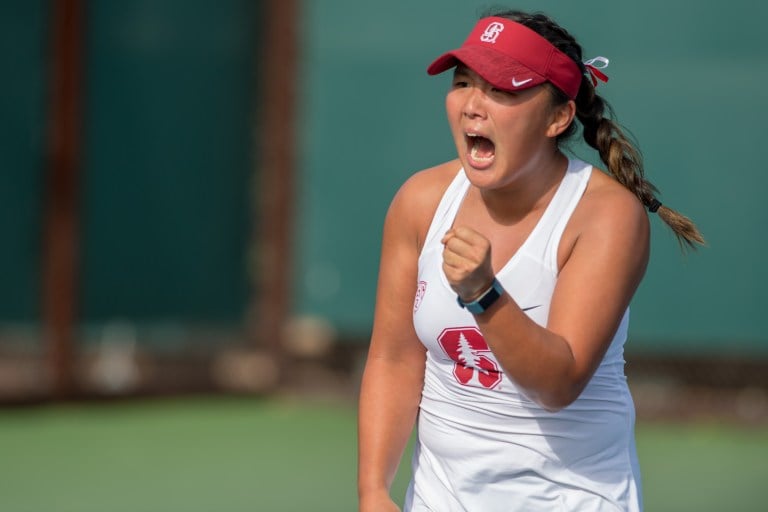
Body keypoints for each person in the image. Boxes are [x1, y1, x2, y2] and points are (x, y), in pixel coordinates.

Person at [357, 8, 704, 512]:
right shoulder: (420, 201)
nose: (473, 106)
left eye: (503, 90)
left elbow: (558, 383)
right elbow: (393, 358)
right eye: (462, 83)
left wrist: (483, 293)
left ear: (558, 117)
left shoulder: (607, 217)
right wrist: (372, 490)